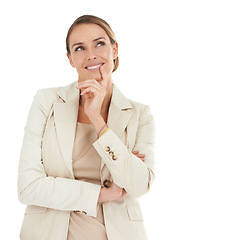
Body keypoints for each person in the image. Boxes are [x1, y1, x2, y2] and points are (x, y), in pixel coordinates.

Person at [17, 15, 155, 240]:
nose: (91, 54)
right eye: (79, 48)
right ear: (70, 59)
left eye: (100, 43)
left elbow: (138, 186)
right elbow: (28, 187)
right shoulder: (46, 102)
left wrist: (97, 119)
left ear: (115, 49)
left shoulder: (140, 115)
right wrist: (100, 194)